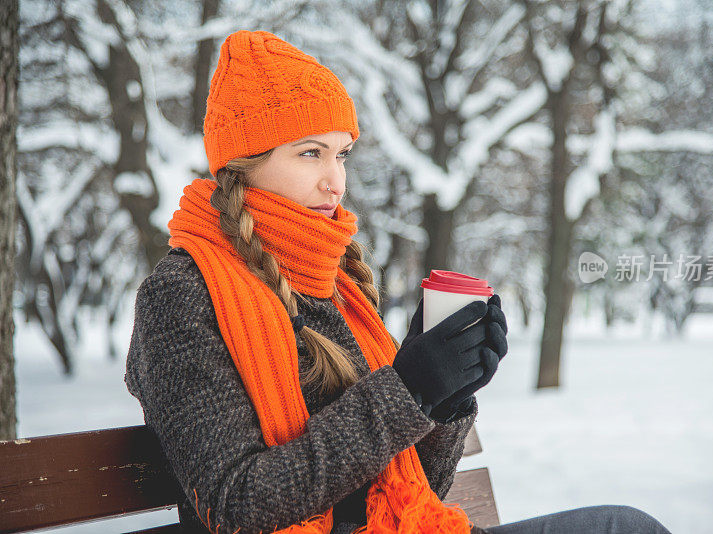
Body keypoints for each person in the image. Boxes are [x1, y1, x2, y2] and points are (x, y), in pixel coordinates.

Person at [124, 30, 672, 534]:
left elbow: (416, 491)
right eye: (309, 152)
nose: (334, 180)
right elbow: (238, 503)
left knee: (626, 526)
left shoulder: (332, 284)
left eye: (342, 154)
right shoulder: (184, 294)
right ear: (243, 163)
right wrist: (406, 390)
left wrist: (445, 395)